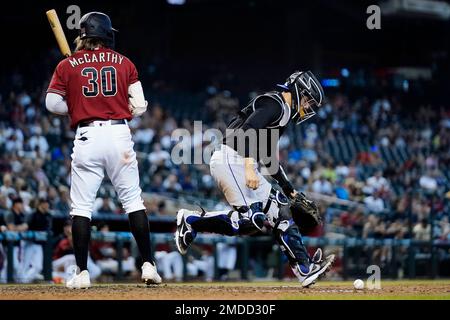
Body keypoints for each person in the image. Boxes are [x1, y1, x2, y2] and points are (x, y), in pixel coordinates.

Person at [175, 71, 334, 287]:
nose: (307, 107)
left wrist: (290, 190)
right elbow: (248, 131)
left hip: (242, 162)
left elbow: (268, 156)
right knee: (253, 219)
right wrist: (250, 167)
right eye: (308, 100)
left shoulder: (284, 113)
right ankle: (191, 221)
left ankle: (304, 268)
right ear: (299, 91)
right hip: (231, 159)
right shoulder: (275, 103)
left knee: (280, 208)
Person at [45, 12, 161, 288]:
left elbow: (51, 104)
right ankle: (148, 266)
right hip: (119, 134)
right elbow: (141, 105)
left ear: (83, 34)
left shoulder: (68, 65)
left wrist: (76, 106)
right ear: (107, 34)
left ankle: (82, 273)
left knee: (82, 208)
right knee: (133, 202)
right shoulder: (125, 62)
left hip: (87, 136)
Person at [22, 198, 53, 283]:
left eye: (47, 203)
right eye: (45, 203)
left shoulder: (48, 215)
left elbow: (48, 229)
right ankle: (22, 282)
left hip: (39, 244)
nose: (47, 205)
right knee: (24, 265)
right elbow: (26, 226)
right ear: (40, 204)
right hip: (29, 243)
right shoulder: (33, 214)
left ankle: (24, 281)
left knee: (38, 266)